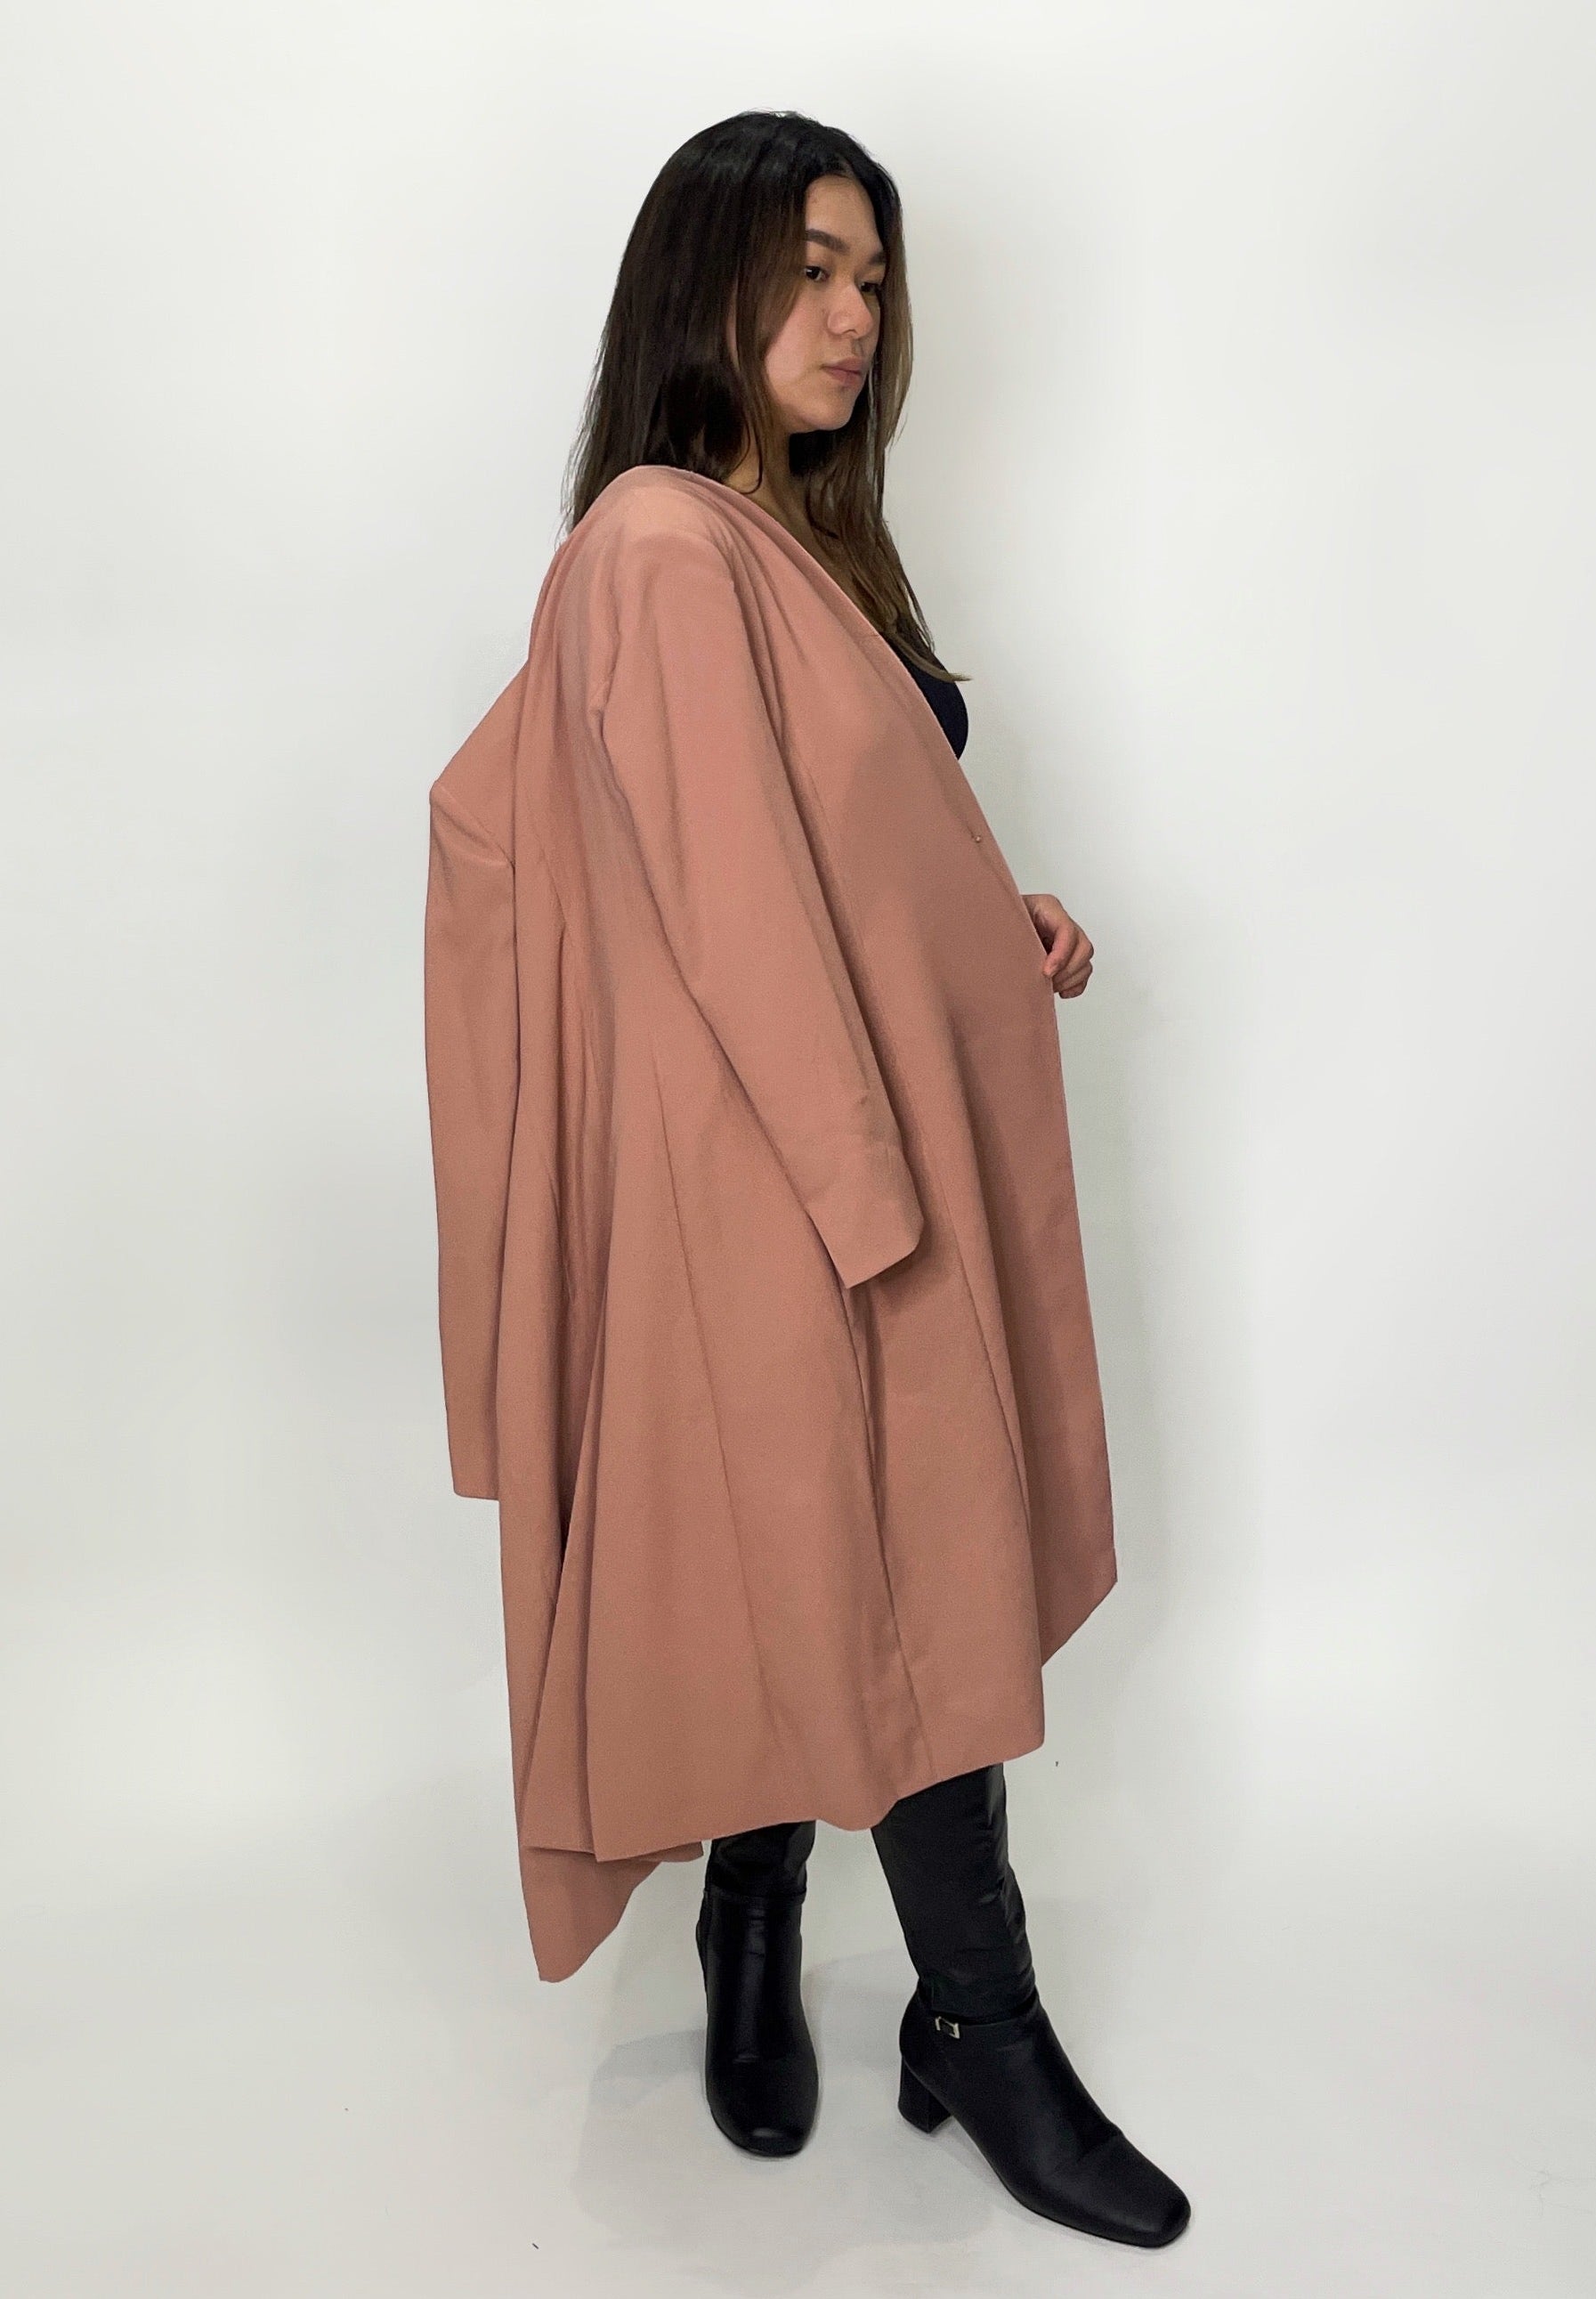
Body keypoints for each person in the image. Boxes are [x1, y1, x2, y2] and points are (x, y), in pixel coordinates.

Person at [423, 110, 1189, 2250]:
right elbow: (732, 915)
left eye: (872, 276)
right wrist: (867, 1204)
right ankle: (971, 2022)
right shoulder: (660, 546)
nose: (855, 316)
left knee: (850, 1566)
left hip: (844, 1143)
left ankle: (786, 1945)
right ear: (707, 286)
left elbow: (833, 866)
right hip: (796, 1180)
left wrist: (987, 924)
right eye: (810, 271)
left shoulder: (801, 546)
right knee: (884, 1572)